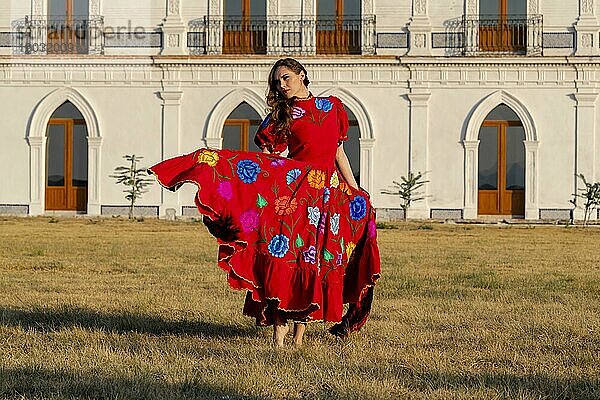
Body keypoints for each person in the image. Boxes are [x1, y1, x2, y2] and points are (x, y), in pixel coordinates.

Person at [148, 58, 380, 347]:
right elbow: (273, 158)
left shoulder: (332, 107)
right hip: (294, 196)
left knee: (315, 260)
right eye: (277, 82)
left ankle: (298, 340)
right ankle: (279, 339)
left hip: (327, 198)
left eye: (286, 78)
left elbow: (339, 153)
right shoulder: (281, 116)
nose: (282, 86)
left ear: (302, 75)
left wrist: (356, 189)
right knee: (285, 258)